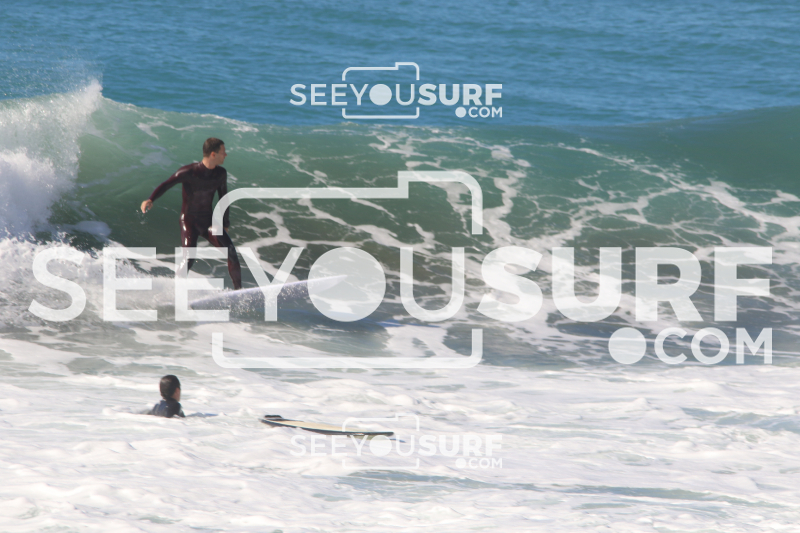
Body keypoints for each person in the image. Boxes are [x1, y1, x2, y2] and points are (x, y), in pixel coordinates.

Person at [140, 138, 242, 289]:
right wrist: (150, 199)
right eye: (223, 152)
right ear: (213, 154)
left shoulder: (221, 173)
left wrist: (225, 223)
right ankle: (174, 290)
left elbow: (223, 198)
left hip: (209, 222)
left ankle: (239, 292)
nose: (225, 155)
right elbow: (167, 184)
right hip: (189, 221)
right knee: (189, 259)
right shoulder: (189, 172)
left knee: (232, 253)